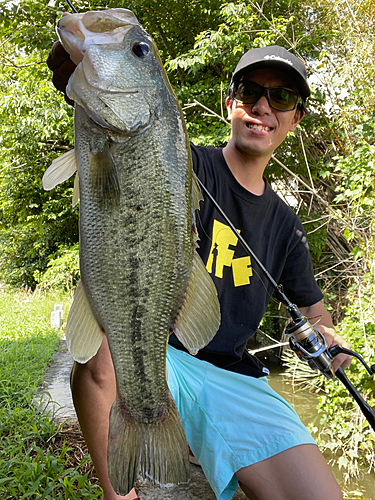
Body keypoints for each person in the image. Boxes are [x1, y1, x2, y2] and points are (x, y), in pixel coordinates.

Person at [47, 41, 352, 500]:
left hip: (234, 378)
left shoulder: (287, 226)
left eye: (282, 98)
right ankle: (119, 494)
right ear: (230, 102)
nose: (263, 107)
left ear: (296, 117)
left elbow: (314, 313)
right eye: (251, 92)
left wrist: (329, 341)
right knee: (107, 348)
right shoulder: (177, 159)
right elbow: (122, 131)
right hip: (163, 357)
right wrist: (80, 81)